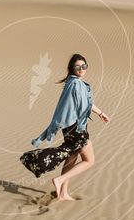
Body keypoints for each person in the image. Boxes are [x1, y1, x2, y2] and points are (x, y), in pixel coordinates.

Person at [19, 54, 110, 201]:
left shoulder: (71, 82)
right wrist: (99, 114)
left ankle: (63, 194)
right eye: (78, 67)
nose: (81, 69)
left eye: (84, 66)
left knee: (72, 157)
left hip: (69, 127)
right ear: (71, 68)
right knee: (90, 161)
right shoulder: (76, 84)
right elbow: (83, 105)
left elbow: (82, 103)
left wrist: (101, 113)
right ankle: (60, 180)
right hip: (77, 128)